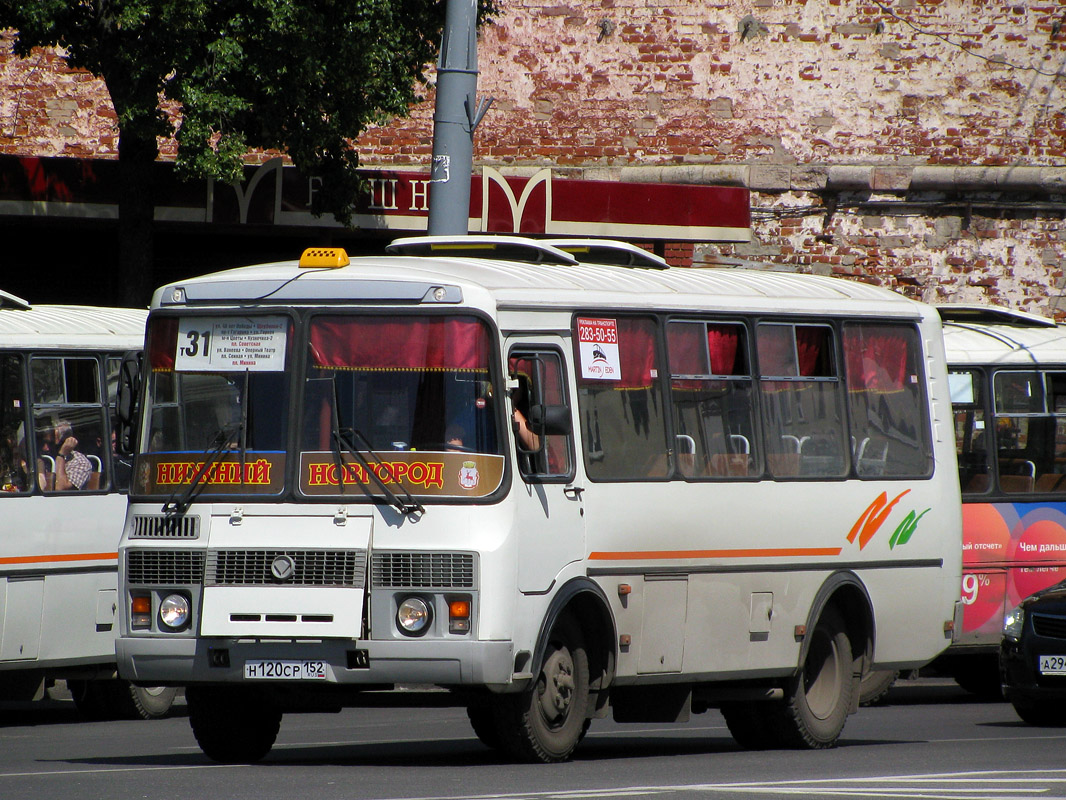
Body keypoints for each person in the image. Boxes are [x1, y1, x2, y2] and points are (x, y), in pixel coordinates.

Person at [51, 420, 92, 491]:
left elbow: (61, 488)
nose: (46, 448)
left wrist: (61, 455)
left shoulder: (80, 462)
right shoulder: (44, 459)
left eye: (51, 443)